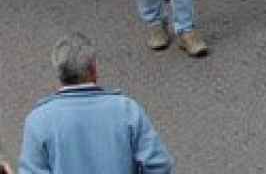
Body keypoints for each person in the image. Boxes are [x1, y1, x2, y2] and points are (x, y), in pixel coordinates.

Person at [17, 33, 175, 172]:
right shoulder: (126, 110)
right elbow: (159, 164)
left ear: (59, 73)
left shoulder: (38, 120)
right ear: (93, 69)